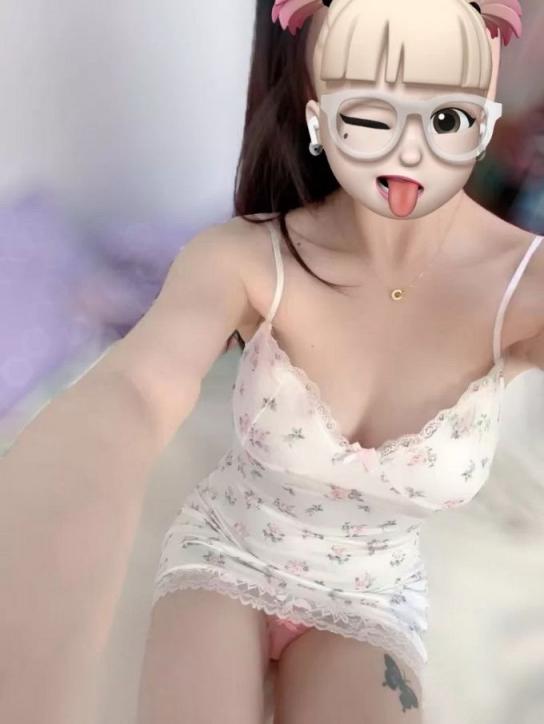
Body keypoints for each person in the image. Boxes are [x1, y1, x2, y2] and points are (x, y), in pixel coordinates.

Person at [1, 1, 541, 723]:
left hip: (371, 601)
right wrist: (60, 520)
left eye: (443, 117)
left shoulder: (523, 289)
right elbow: (139, 385)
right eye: (370, 115)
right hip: (227, 557)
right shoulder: (250, 258)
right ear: (318, 105)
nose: (409, 152)